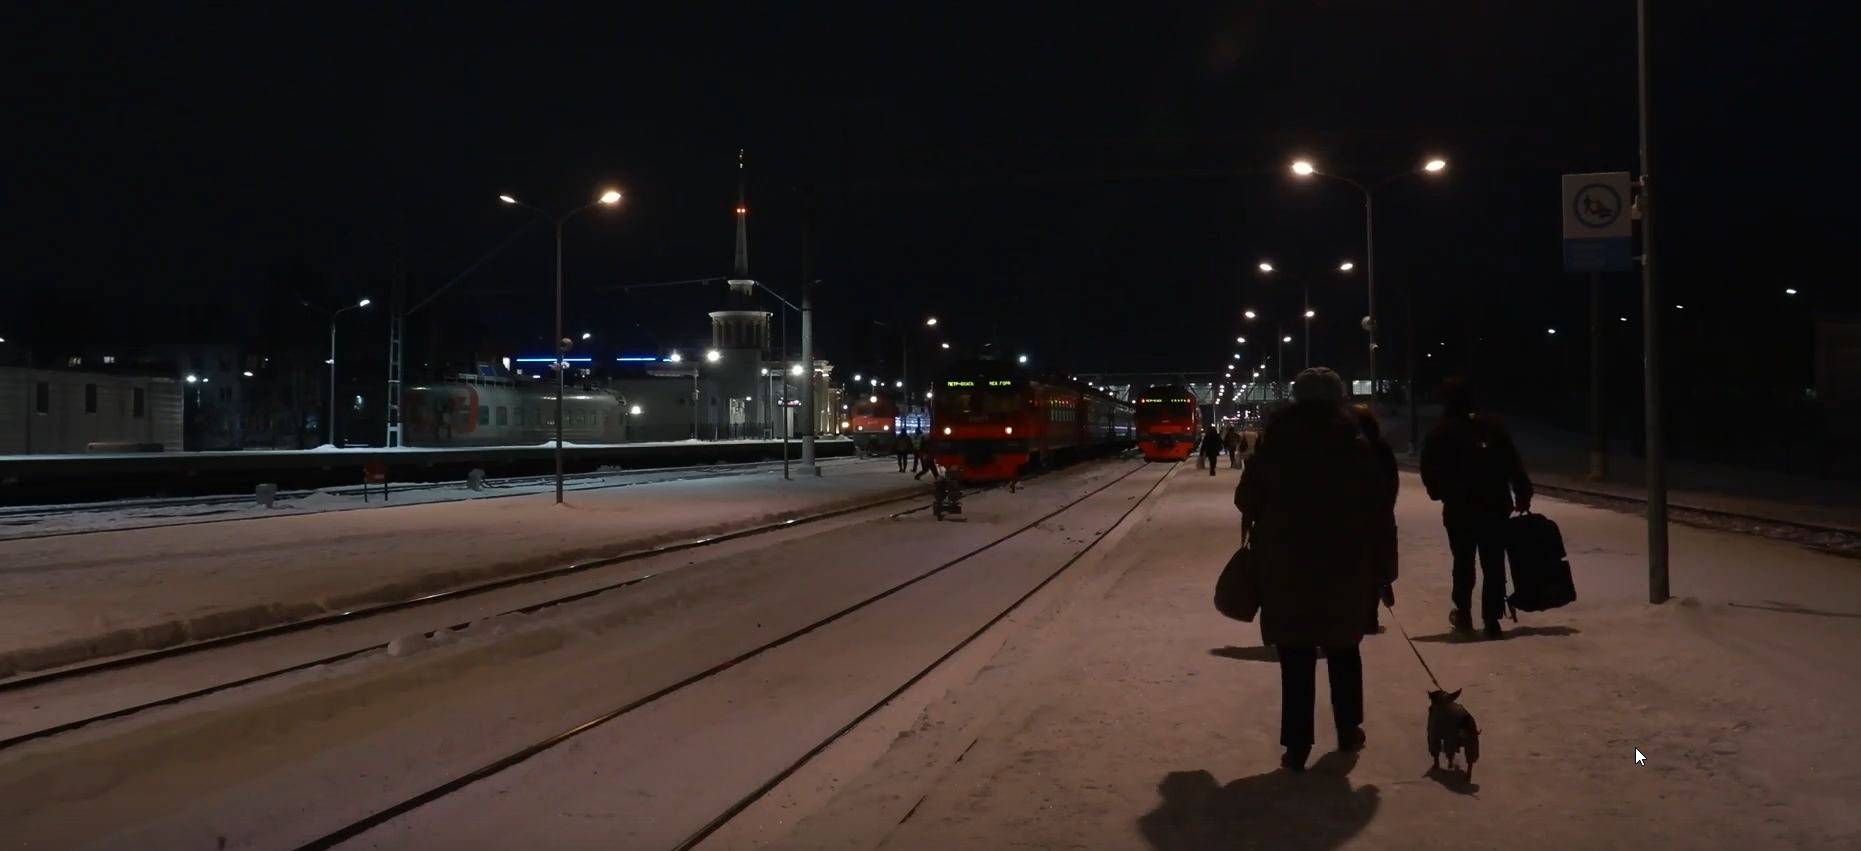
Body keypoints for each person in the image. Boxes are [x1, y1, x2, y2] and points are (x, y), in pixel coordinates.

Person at [1236, 367, 1381, 771]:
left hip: (1286, 565)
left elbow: (1247, 499)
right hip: (1345, 564)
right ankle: (1348, 729)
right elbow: (1377, 507)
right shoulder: (1355, 444)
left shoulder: (1276, 444)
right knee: (1344, 650)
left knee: (1296, 657)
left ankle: (1297, 745)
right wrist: (1382, 569)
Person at [1420, 377, 1533, 639]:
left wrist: (1439, 492)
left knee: (1463, 561)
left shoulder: (1440, 431)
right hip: (1495, 504)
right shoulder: (1492, 427)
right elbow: (1513, 463)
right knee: (1493, 562)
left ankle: (1463, 611)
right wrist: (1522, 492)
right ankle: (1492, 618)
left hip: (1459, 507)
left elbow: (1429, 468)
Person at [1352, 403, 1400, 633]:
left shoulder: (1348, 446)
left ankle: (1360, 612)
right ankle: (1372, 610)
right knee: (1376, 559)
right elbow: (1392, 480)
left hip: (1354, 514)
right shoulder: (1381, 447)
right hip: (1379, 513)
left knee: (1356, 563)